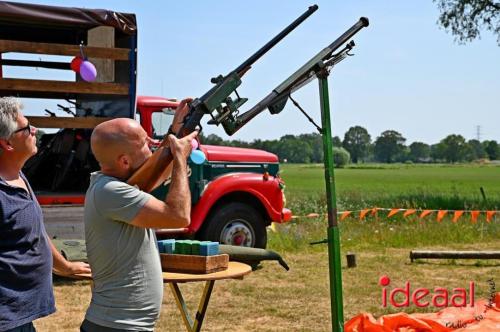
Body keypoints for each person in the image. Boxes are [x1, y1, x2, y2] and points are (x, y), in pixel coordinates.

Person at [80, 98, 197, 332]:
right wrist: (180, 159)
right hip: (116, 327)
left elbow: (150, 174)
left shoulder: (113, 186)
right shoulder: (111, 192)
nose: (153, 144)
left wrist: (175, 130)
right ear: (124, 161)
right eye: (145, 143)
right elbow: (179, 217)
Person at [0, 97, 91, 332]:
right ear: (7, 143)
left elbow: (35, 232)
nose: (35, 130)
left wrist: (64, 266)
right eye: (26, 127)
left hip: (19, 317)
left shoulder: (19, 177)